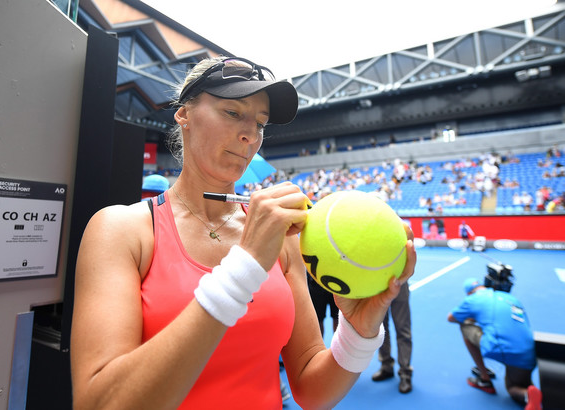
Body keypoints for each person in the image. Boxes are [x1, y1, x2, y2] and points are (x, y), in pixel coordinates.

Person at [70, 56, 417, 410]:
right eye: (233, 113)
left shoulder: (283, 239)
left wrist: (358, 331)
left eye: (261, 124)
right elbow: (99, 403)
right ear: (184, 114)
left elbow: (312, 391)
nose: (250, 135)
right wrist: (244, 268)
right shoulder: (120, 230)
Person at [447, 278, 542, 410]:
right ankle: (528, 396)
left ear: (469, 293)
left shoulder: (472, 299)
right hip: (528, 353)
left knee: (465, 325)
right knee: (518, 386)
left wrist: (472, 317)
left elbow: (451, 318)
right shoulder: (510, 298)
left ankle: (484, 379)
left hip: (502, 348)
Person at [371, 281, 413, 393]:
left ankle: (405, 373)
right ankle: (386, 366)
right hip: (378, 284)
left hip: (399, 282)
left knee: (403, 329)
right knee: (380, 329)